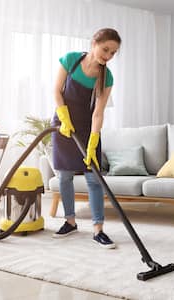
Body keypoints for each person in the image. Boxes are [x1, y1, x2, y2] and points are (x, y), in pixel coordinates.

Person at [51, 28, 121, 249]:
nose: (108, 56)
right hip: (63, 125)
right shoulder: (71, 60)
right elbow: (56, 91)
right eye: (106, 49)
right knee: (64, 177)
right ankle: (70, 222)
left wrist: (93, 140)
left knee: (94, 179)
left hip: (87, 128)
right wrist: (63, 117)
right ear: (94, 43)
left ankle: (98, 229)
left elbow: (98, 112)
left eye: (113, 53)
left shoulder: (106, 76)